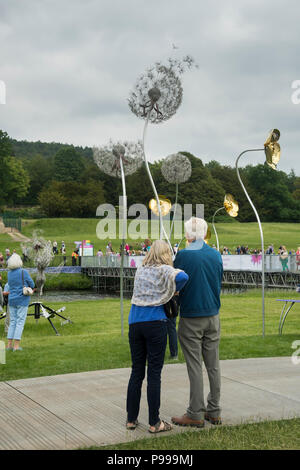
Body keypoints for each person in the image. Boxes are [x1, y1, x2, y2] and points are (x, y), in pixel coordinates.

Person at [126, 240, 189, 434]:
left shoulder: (141, 269)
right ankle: (154, 421)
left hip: (135, 321)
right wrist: (172, 291)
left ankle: (131, 418)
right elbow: (183, 276)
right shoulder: (164, 269)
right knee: (154, 372)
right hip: (155, 322)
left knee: (137, 371)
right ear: (166, 254)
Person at [171, 217, 223, 428]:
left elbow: (175, 283)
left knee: (195, 365)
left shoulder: (184, 255)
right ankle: (214, 410)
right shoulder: (216, 254)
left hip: (192, 315)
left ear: (188, 235)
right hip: (213, 314)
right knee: (213, 365)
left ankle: (195, 412)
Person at [6, 253, 35, 351]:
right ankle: (16, 346)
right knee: (20, 322)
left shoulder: (9, 273)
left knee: (13, 322)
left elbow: (10, 285)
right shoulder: (23, 272)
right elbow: (32, 284)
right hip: (22, 300)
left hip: (11, 300)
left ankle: (9, 345)